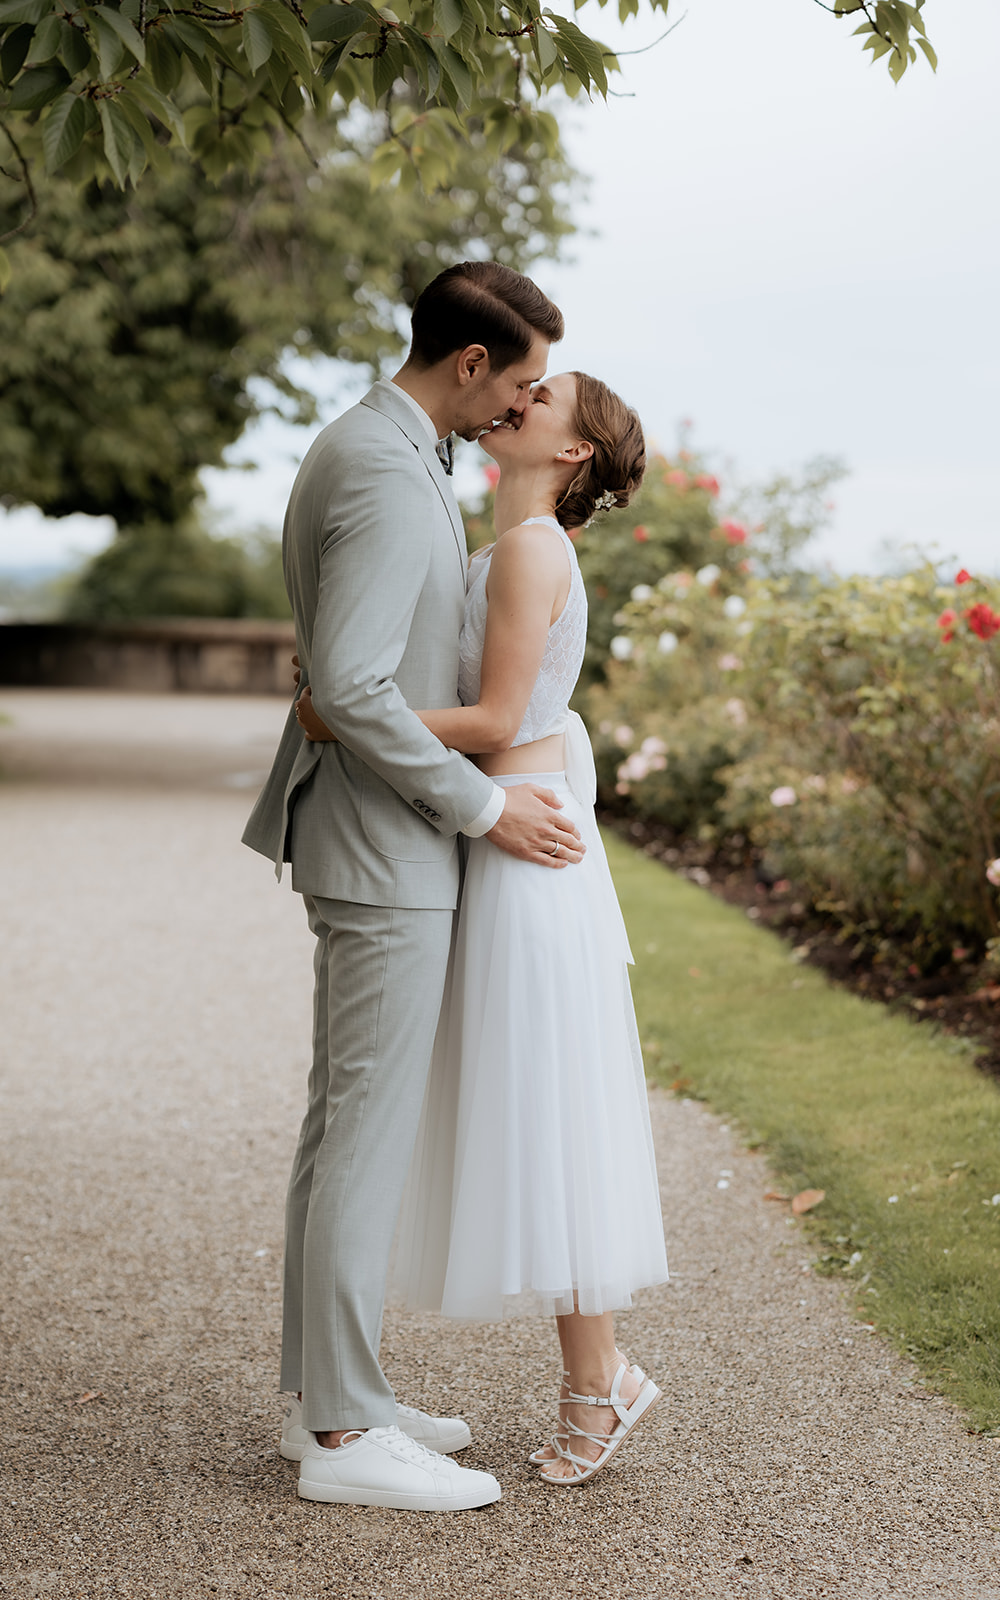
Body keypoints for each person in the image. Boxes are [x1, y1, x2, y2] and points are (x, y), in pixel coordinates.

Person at [242, 262, 585, 1513]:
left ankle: (330, 1395)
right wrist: (486, 807)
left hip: (370, 841)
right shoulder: (389, 471)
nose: (530, 400)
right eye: (527, 379)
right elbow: (349, 693)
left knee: (342, 1126)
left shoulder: (385, 447)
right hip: (387, 852)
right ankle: (340, 1437)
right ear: (468, 368)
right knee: (361, 1137)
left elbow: (341, 672)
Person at [297, 369, 669, 1486]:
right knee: (545, 1107)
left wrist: (341, 709)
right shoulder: (511, 542)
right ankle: (602, 1374)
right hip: (508, 836)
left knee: (551, 1109)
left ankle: (596, 1385)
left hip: (520, 848)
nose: (521, 395)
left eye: (544, 394)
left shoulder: (525, 550)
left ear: (568, 453)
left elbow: (500, 719)